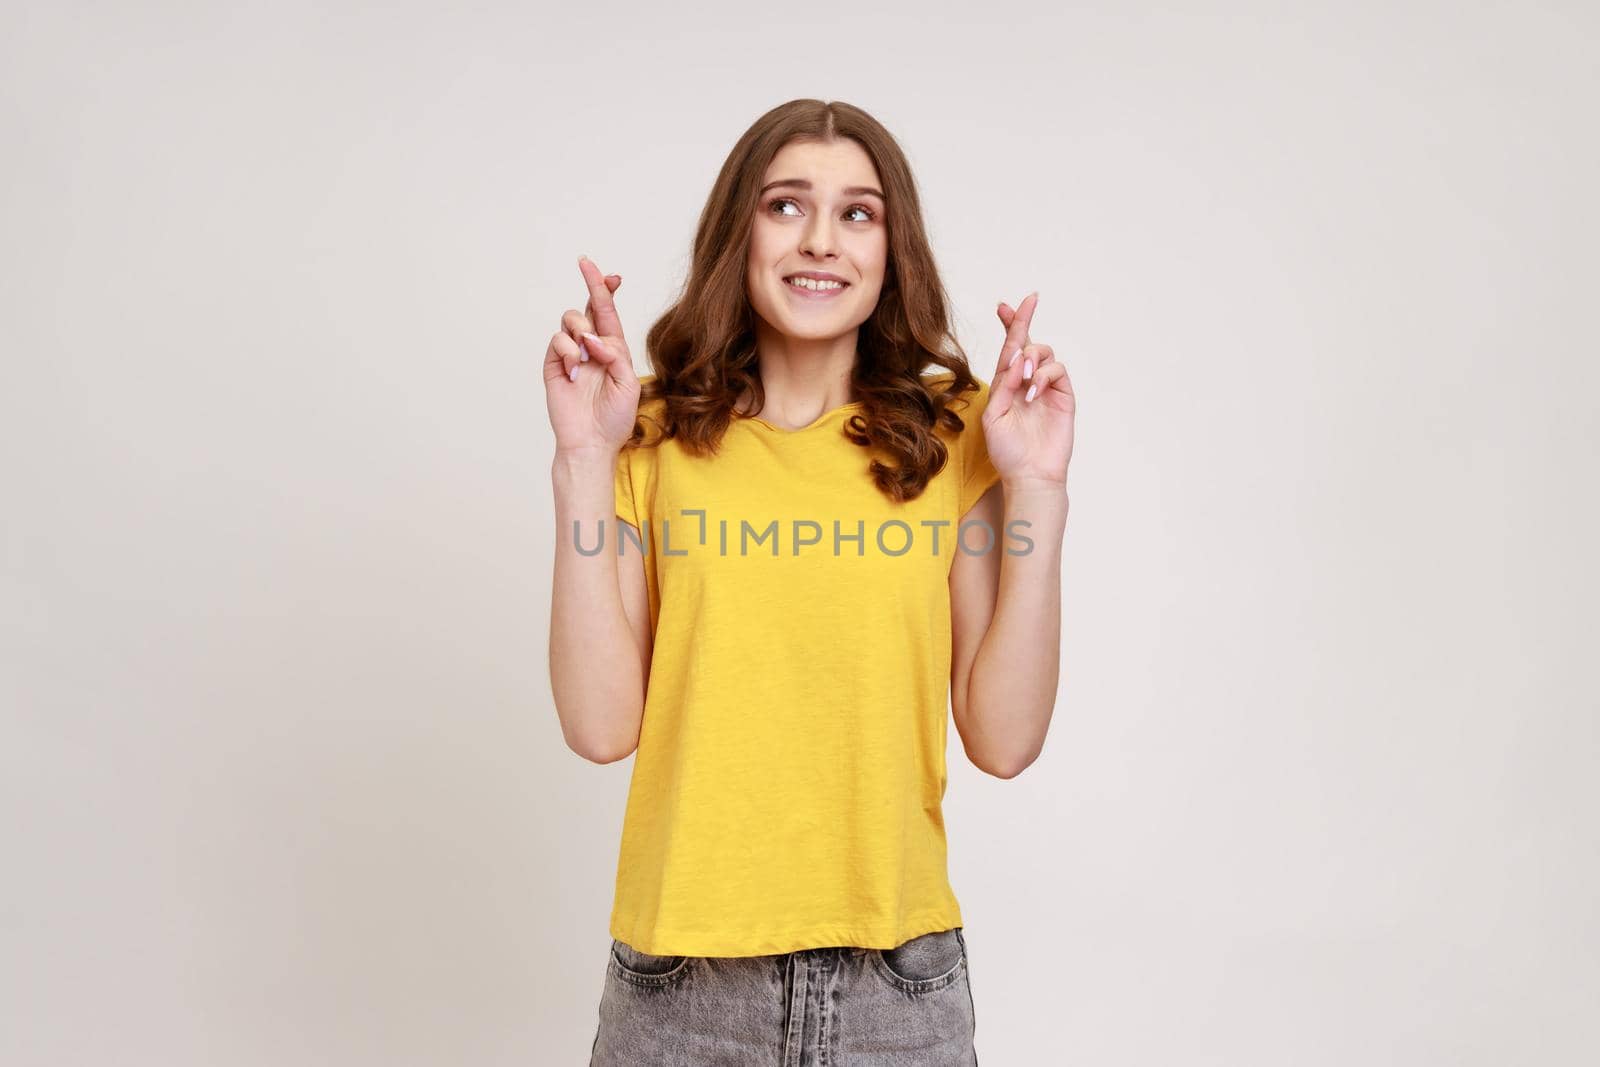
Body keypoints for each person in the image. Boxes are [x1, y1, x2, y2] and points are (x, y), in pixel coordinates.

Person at [545, 98, 1074, 1065]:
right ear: (737, 233)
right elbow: (598, 725)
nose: (820, 241)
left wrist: (1037, 486)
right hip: (681, 991)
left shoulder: (953, 437)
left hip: (896, 991)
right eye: (786, 206)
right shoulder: (649, 436)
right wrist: (584, 460)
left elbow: (1006, 738)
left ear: (891, 247)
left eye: (858, 213)